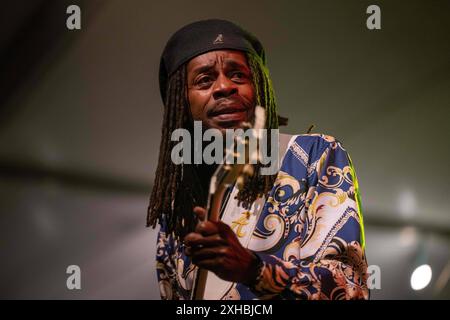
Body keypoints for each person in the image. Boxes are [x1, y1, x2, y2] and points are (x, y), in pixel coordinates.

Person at [147, 19, 369, 300]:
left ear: (259, 88)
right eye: (205, 79)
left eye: (238, 75)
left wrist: (254, 270)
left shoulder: (313, 155)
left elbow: (350, 288)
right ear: (181, 101)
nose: (225, 86)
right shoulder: (177, 210)